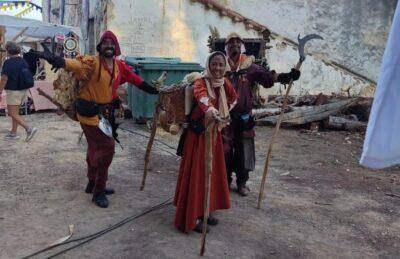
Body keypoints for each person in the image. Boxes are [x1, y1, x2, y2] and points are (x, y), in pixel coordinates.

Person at [30, 31, 159, 208]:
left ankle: (92, 183)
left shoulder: (118, 66)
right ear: (100, 46)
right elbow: (73, 65)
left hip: (105, 115)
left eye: (112, 43)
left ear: (116, 47)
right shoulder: (91, 63)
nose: (109, 46)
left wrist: (153, 90)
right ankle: (99, 190)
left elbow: (136, 80)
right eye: (105, 43)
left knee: (94, 148)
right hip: (88, 113)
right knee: (107, 148)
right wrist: (55, 59)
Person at [223, 33, 301, 196]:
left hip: (244, 117)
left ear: (241, 47)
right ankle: (225, 181)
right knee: (225, 149)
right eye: (231, 44)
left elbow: (267, 77)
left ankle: (242, 182)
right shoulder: (220, 65)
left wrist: (287, 76)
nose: (234, 46)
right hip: (224, 118)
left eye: (238, 43)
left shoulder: (249, 66)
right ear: (227, 48)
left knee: (245, 149)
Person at [174, 51, 237, 233]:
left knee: (210, 174)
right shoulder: (201, 82)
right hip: (198, 137)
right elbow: (202, 97)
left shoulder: (225, 83)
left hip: (213, 135)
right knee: (197, 174)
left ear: (225, 67)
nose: (217, 68)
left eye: (221, 64)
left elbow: (234, 98)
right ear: (208, 65)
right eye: (214, 64)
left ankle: (203, 211)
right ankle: (190, 218)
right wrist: (210, 110)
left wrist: (224, 113)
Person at [0, 41, 37, 141]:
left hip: (13, 91)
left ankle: (29, 129)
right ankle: (13, 133)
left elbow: (4, 78)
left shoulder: (8, 63)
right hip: (23, 90)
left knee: (12, 113)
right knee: (15, 113)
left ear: (8, 51)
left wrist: (0, 91)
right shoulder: (22, 61)